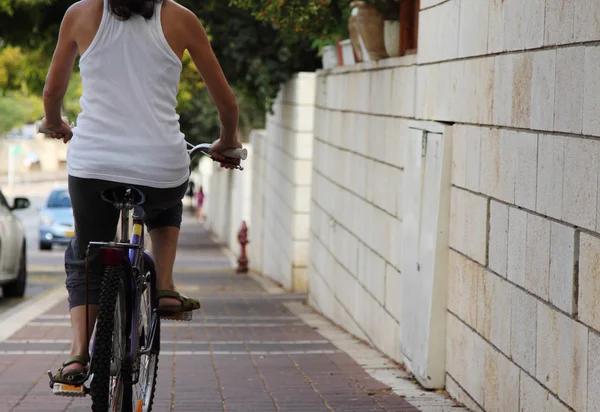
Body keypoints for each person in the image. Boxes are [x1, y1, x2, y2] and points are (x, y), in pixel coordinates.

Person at [41, 0, 242, 385]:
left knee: (85, 251)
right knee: (165, 209)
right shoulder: (181, 18)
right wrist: (227, 142)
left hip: (93, 166)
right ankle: (164, 287)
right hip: (161, 166)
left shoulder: (80, 14)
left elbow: (53, 93)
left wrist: (55, 124)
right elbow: (227, 103)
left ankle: (78, 356)